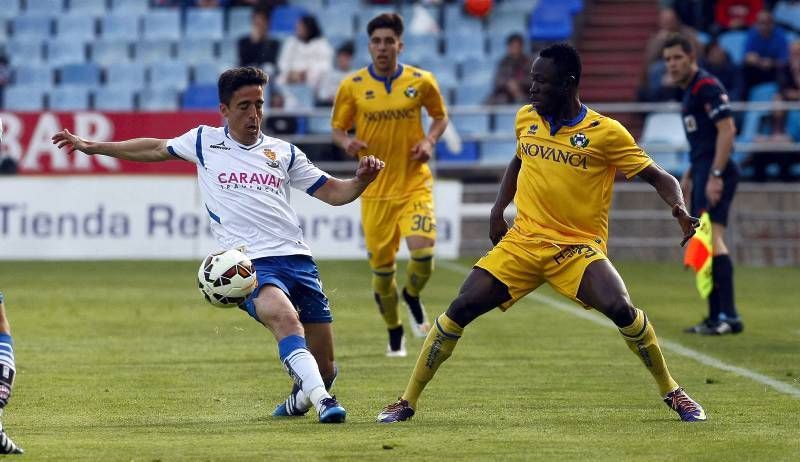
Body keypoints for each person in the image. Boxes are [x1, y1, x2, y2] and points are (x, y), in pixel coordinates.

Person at [377, 43, 708, 423]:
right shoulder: (526, 119)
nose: (531, 88)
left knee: (621, 308)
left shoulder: (606, 133)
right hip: (523, 242)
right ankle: (407, 400)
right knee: (459, 308)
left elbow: (659, 176)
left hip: (576, 247)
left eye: (540, 81)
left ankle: (673, 391)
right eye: (531, 79)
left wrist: (678, 208)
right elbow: (518, 161)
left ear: (567, 84)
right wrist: (497, 209)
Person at [51, 67, 386, 423]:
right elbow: (154, 148)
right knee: (286, 320)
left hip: (298, 259)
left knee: (325, 366)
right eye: (244, 106)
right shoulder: (204, 141)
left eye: (259, 104)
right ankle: (324, 403)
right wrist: (92, 146)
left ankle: (300, 400)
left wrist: (361, 181)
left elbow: (334, 193)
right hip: (248, 265)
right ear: (224, 110)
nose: (254, 115)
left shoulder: (284, 152)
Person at [331, 13, 449, 357]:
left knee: (423, 255)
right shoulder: (352, 86)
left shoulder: (422, 81)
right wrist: (346, 143)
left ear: (400, 44)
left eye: (388, 41)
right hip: (375, 192)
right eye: (376, 42)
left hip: (414, 183)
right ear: (369, 45)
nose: (382, 47)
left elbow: (440, 117)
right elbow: (338, 129)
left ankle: (412, 295)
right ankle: (395, 331)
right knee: (382, 276)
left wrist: (428, 141)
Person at [663, 34, 744, 335]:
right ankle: (714, 317)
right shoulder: (689, 92)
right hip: (702, 170)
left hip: (716, 173)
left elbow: (727, 130)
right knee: (702, 243)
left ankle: (730, 316)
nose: (672, 64)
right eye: (668, 59)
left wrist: (715, 175)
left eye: (677, 58)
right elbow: (704, 140)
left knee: (712, 239)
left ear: (691, 57)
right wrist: (690, 173)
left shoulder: (706, 86)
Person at [276, 15, 333, 89]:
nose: (298, 29)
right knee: (279, 81)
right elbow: (282, 62)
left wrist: (306, 73)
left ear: (309, 29)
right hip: (292, 76)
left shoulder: (321, 44)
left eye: (301, 27)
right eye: (297, 27)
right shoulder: (291, 42)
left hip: (312, 78)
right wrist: (292, 73)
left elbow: (326, 65)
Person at [743, 10, 789, 97]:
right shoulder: (752, 33)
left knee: (784, 72)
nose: (763, 26)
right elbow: (747, 56)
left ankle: (780, 97)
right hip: (757, 68)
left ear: (772, 24)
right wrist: (757, 61)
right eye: (760, 23)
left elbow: (785, 60)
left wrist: (772, 63)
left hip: (774, 69)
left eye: (766, 23)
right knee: (744, 70)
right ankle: (743, 101)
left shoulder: (780, 35)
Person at [486, 33, 534, 105]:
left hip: (525, 93)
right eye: (512, 47)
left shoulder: (530, 62)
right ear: (508, 47)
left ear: (521, 47)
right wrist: (509, 84)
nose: (515, 49)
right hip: (506, 93)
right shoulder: (503, 62)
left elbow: (533, 81)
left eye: (517, 46)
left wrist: (518, 84)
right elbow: (497, 80)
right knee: (493, 101)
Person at [237, 8, 281, 73]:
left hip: (265, 74)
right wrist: (254, 42)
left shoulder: (273, 43)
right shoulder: (243, 41)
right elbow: (244, 61)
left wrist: (261, 41)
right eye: (256, 23)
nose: (259, 27)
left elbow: (270, 62)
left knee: (268, 68)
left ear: (267, 24)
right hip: (247, 74)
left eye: (261, 23)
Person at [315, 41, 355, 106]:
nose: (343, 59)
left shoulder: (356, 75)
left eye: (346, 57)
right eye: (341, 56)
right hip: (329, 107)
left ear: (351, 59)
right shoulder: (328, 74)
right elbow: (322, 95)